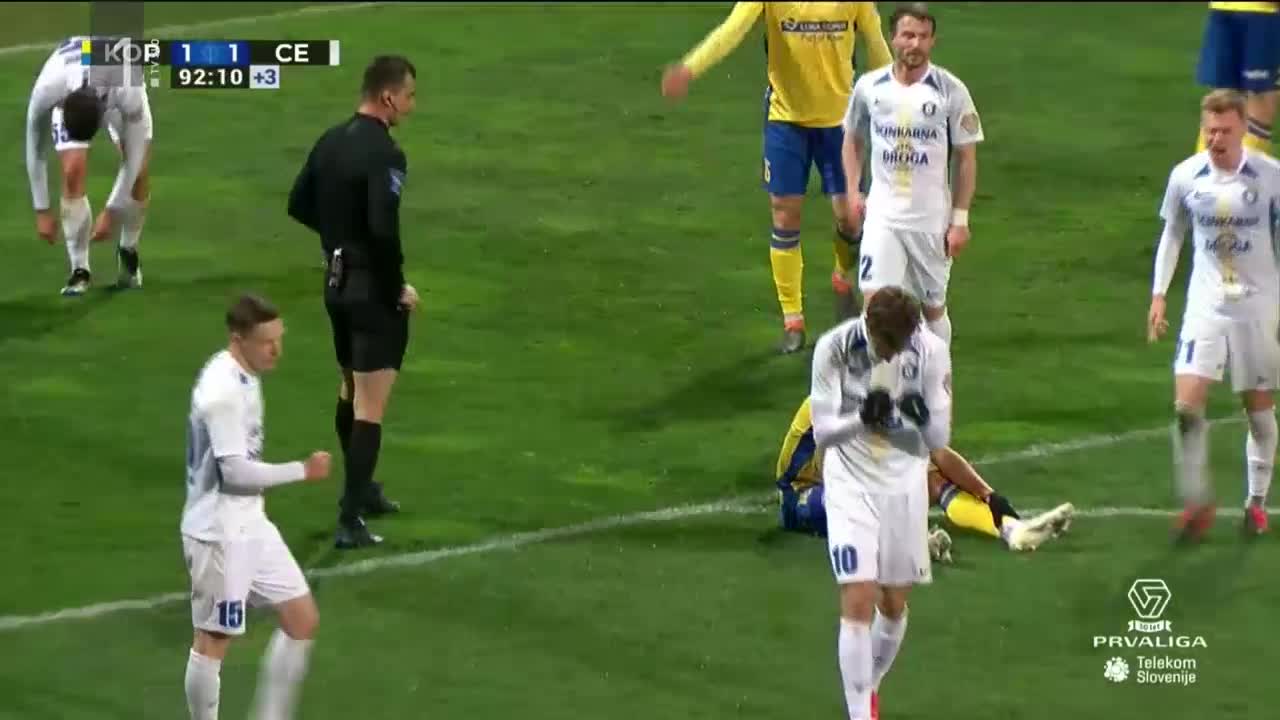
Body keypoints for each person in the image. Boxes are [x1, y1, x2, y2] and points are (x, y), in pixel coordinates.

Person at [661, 2, 893, 353]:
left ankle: (841, 277)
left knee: (850, 217)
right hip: (786, 121)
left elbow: (876, 44)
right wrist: (690, 68)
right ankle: (792, 320)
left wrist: (898, 95)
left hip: (841, 123)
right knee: (785, 214)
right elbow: (733, 30)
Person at [288, 55, 420, 549]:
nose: (411, 105)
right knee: (370, 405)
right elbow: (383, 231)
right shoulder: (386, 154)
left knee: (349, 388)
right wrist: (396, 288)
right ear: (388, 97)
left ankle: (362, 489)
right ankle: (350, 517)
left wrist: (338, 240)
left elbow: (298, 203)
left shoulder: (330, 140)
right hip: (369, 290)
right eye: (408, 96)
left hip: (335, 284)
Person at [181, 294, 331, 720]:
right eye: (267, 342)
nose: (276, 349)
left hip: (250, 523)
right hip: (219, 533)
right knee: (213, 641)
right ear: (238, 340)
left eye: (279, 338)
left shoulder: (243, 374)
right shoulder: (223, 392)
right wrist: (302, 471)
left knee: (301, 620)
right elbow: (234, 472)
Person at [810, 286, 949, 720]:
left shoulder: (930, 351)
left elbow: (938, 441)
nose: (893, 355)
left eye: (901, 345)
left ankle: (868, 688)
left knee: (892, 604)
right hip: (850, 480)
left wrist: (921, 418)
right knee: (858, 595)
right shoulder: (833, 348)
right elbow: (823, 432)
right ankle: (859, 714)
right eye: (888, 346)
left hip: (903, 483)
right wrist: (861, 419)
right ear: (869, 326)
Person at [1147, 88, 1280, 540]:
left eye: (1224, 130)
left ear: (1243, 128)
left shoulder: (1270, 177)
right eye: (1210, 131)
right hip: (1205, 306)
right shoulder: (1186, 176)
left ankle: (1256, 502)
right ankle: (1197, 500)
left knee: (1258, 412)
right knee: (1186, 407)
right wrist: (1159, 295)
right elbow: (1173, 234)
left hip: (1258, 309)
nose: (1216, 139)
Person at [841, 3, 982, 348]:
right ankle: (881, 378)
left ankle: (938, 375)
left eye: (922, 36)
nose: (915, 44)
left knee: (932, 310)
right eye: (907, 35)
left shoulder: (950, 90)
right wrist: (852, 191)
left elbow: (966, 158)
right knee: (876, 307)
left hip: (930, 221)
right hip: (883, 218)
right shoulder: (870, 87)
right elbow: (852, 139)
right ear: (893, 38)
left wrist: (960, 220)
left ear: (932, 41)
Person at [774, 397, 1075, 557]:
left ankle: (1012, 531)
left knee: (931, 478)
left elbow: (938, 452)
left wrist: (989, 494)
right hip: (802, 495)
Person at [25, 36, 152, 296]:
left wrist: (112, 211)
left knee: (139, 172)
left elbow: (134, 156)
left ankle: (128, 249)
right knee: (72, 170)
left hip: (116, 76)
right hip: (72, 76)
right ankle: (79, 269)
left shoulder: (129, 88)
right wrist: (41, 209)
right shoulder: (49, 88)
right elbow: (35, 146)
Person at [1194, 2, 1280, 156]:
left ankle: (1206, 168)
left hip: (1224, 10)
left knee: (1223, 99)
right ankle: (1242, 169)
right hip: (1260, 13)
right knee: (1259, 100)